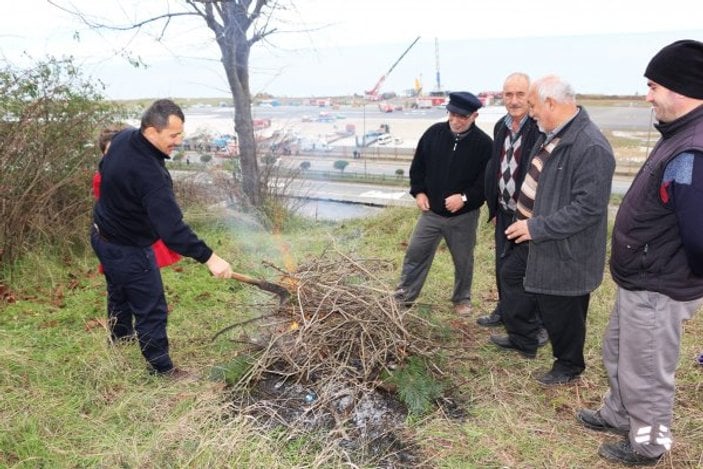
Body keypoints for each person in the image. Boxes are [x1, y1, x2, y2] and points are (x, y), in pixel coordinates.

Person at [577, 39, 703, 466]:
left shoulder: (692, 150)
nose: (647, 96)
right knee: (618, 352)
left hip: (659, 286)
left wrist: (675, 279)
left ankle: (649, 444)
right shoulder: (680, 133)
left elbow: (699, 234)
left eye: (653, 86)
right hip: (642, 278)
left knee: (647, 372)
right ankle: (618, 414)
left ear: (681, 89)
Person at [91, 99, 233, 378]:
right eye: (173, 135)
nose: (179, 141)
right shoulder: (150, 175)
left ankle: (120, 338)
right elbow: (173, 231)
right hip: (129, 248)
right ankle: (162, 368)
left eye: (180, 134)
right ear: (152, 131)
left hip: (101, 235)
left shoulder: (121, 139)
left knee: (118, 290)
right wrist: (211, 258)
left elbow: (104, 168)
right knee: (151, 308)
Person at [488, 76, 615, 385]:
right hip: (535, 235)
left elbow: (588, 208)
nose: (530, 112)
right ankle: (524, 338)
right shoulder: (554, 133)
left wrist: (536, 226)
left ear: (550, 103)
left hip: (565, 248)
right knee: (511, 275)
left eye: (532, 105)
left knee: (563, 309)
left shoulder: (590, 146)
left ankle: (569, 365)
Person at [395, 92, 492, 315]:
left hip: (464, 216)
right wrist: (419, 192)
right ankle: (404, 297)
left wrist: (465, 198)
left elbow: (486, 184)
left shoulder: (485, 145)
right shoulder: (433, 133)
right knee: (415, 253)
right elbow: (417, 167)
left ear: (474, 116)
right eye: (452, 114)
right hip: (431, 213)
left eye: (463, 117)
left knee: (463, 259)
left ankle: (462, 298)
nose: (456, 121)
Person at [477, 73, 542, 336]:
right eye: (508, 94)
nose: (513, 101)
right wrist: (493, 206)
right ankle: (505, 309)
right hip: (504, 211)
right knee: (502, 264)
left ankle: (533, 321)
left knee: (528, 269)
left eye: (520, 94)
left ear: (530, 97)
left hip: (528, 215)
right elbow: (496, 167)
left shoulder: (538, 128)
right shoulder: (500, 126)